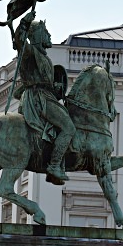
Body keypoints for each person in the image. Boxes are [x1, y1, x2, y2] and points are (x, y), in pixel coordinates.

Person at [12, 10, 75, 185]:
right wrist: (24, 22)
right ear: (38, 34)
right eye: (46, 32)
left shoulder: (43, 56)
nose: (49, 36)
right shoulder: (30, 51)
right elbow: (19, 41)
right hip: (38, 99)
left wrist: (56, 88)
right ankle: (54, 165)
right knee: (69, 127)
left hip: (45, 95)